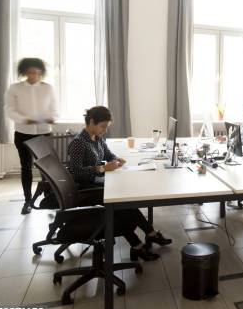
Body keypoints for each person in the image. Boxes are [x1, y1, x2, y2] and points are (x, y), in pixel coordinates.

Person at [67, 106, 171, 261]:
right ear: (91, 121)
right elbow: (75, 172)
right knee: (122, 206)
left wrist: (116, 159)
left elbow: (108, 154)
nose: (104, 130)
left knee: (125, 202)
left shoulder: (97, 137)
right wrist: (102, 168)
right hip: (86, 189)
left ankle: (145, 238)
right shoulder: (79, 142)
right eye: (102, 126)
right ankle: (142, 241)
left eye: (106, 127)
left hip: (97, 182)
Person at [5, 58, 58, 215]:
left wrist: (51, 117)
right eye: (30, 72)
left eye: (36, 72)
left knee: (46, 167)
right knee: (26, 167)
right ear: (24, 72)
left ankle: (49, 198)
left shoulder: (48, 88)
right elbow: (9, 109)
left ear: (41, 72)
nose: (33, 75)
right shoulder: (15, 88)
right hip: (22, 133)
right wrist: (25, 119)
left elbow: (54, 109)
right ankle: (27, 201)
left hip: (44, 132)